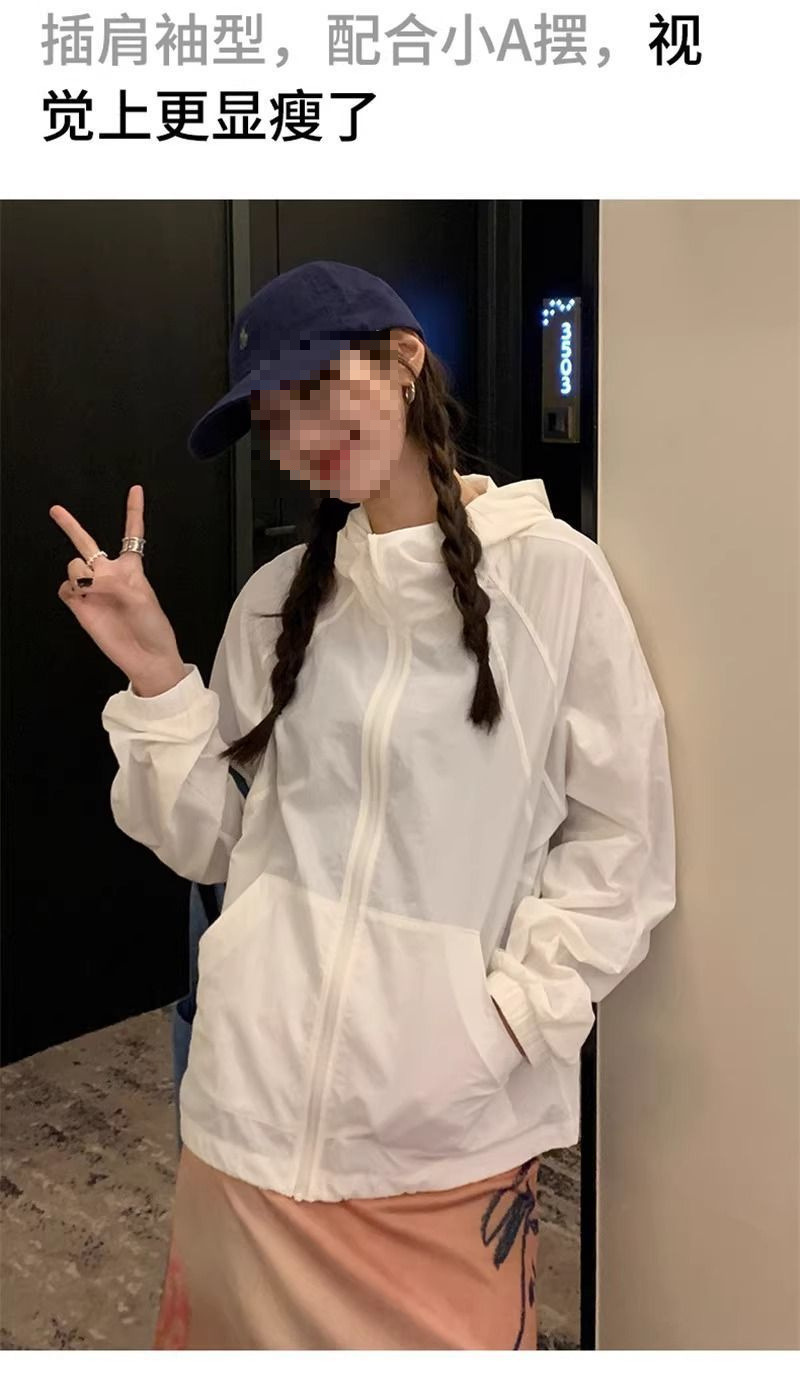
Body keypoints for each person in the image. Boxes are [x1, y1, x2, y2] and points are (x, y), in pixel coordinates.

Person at [50, 259, 677, 1350]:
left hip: (441, 1145)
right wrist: (157, 678)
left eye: (317, 389)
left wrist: (502, 1025)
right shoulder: (274, 603)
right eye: (272, 421)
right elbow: (216, 843)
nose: (300, 437)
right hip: (245, 1123)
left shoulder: (553, 582)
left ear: (404, 361)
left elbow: (621, 840)